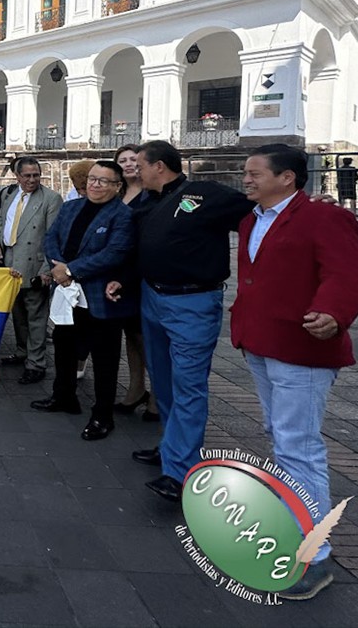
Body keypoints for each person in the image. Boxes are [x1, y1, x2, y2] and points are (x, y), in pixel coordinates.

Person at [232, 145, 358, 601]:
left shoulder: (322, 218)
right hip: (261, 342)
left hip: (302, 348)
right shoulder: (253, 219)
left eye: (254, 173)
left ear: (287, 177)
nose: (246, 179)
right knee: (282, 436)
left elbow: (347, 275)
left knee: (299, 447)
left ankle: (313, 556)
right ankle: (293, 527)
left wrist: (333, 312)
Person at [126, 140, 253, 503]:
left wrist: (311, 207)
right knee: (163, 381)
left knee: (188, 385)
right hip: (153, 297)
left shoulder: (205, 193)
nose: (136, 171)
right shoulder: (148, 201)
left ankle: (182, 472)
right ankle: (171, 447)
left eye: (140, 165)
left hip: (192, 301)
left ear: (160, 166)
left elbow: (258, 212)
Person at [36, 160, 136, 442]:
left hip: (99, 297)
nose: (95, 185)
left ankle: (103, 415)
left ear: (118, 187)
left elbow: (115, 253)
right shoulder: (71, 207)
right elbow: (51, 237)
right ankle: (63, 396)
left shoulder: (122, 215)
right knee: (64, 347)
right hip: (67, 293)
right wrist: (58, 267)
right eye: (92, 179)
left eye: (103, 181)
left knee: (105, 359)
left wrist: (70, 270)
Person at [0, 157, 64, 386]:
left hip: (34, 265)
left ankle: (36, 363)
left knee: (36, 318)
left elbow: (53, 237)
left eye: (36, 175)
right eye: (27, 175)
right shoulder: (8, 194)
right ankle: (22, 351)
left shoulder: (51, 199)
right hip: (9, 265)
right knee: (18, 315)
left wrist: (47, 271)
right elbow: (1, 220)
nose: (32, 179)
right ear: (17, 176)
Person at [110, 144, 160, 422]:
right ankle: (136, 387)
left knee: (146, 336)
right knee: (131, 335)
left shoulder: (152, 194)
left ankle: (157, 394)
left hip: (141, 272)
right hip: (118, 273)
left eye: (133, 160)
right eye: (123, 160)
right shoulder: (117, 193)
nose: (129, 164)